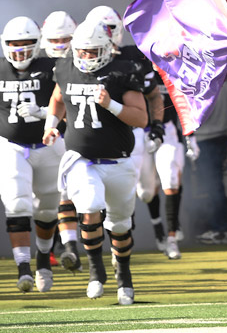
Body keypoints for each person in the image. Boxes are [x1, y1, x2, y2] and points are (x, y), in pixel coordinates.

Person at [42, 20, 148, 305]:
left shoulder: (122, 71)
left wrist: (111, 105)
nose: (86, 56)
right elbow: (57, 98)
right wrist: (51, 125)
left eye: (92, 51)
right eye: (82, 51)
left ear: (106, 49)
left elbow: (141, 118)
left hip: (119, 160)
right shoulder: (65, 67)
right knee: (88, 206)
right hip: (81, 157)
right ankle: (95, 270)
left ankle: (123, 275)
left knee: (121, 225)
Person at [85, 6, 167, 257]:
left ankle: (158, 230)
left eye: (108, 29)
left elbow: (153, 96)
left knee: (144, 190)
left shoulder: (132, 57)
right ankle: (111, 246)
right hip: (97, 135)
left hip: (133, 132)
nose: (104, 34)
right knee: (95, 194)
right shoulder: (80, 60)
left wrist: (157, 127)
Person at [0, 16, 64, 293]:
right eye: (14, 44)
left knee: (48, 208)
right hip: (11, 144)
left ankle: (44, 260)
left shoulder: (51, 68)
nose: (20, 50)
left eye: (26, 44)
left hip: (47, 144)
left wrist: (44, 114)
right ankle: (23, 268)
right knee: (16, 203)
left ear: (38, 44)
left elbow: (68, 107)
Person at [138, 65, 199, 259]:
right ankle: (158, 229)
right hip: (140, 131)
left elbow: (186, 106)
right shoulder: (134, 68)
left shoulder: (175, 71)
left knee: (171, 180)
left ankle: (172, 237)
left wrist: (191, 136)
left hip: (168, 131)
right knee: (146, 193)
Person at [40, 11, 81, 273]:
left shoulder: (82, 61)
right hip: (46, 139)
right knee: (47, 198)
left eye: (65, 38)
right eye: (55, 38)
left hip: (77, 135)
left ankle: (72, 248)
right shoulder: (38, 68)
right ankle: (56, 248)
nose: (60, 44)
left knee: (71, 195)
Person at [186, 80, 227, 244]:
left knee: (212, 186)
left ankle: (221, 229)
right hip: (218, 135)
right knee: (214, 185)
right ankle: (220, 228)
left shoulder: (204, 83)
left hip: (206, 138)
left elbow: (198, 115)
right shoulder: (223, 80)